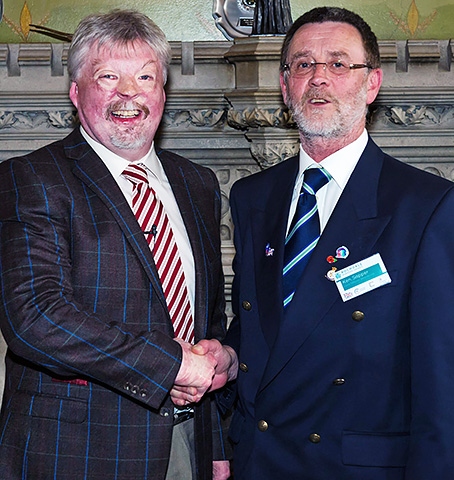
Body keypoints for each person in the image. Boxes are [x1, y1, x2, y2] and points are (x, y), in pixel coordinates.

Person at [223, 6, 454, 479]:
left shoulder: (426, 205)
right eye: (303, 65)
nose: (319, 78)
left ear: (371, 84)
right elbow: (259, 333)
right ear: (285, 86)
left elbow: (441, 383)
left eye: (338, 63)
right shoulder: (252, 197)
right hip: (258, 462)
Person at [0, 10, 231, 480]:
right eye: (109, 76)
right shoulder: (31, 178)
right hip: (75, 451)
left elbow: (208, 317)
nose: (129, 93)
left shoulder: (197, 183)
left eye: (146, 76)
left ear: (162, 92)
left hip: (187, 441)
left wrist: (220, 366)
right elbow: (35, 317)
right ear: (76, 92)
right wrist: (173, 365)